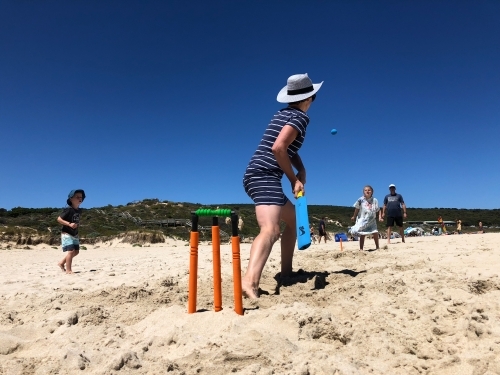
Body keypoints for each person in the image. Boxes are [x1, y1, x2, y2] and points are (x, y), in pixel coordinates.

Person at [241, 73, 323, 298]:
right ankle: (249, 282)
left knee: (294, 219)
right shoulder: (299, 117)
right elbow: (278, 148)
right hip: (264, 175)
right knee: (271, 229)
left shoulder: (284, 114)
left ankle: (286, 272)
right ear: (309, 98)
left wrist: (301, 169)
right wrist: (293, 179)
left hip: (257, 174)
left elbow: (288, 148)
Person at [57, 189, 85, 274]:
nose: (80, 199)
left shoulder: (79, 210)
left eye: (81, 197)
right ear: (71, 199)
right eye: (77, 197)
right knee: (71, 251)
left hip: (75, 233)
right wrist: (69, 224)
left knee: (76, 252)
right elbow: (59, 219)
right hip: (67, 233)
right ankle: (68, 270)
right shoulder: (68, 209)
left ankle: (61, 263)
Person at [349, 185, 380, 250]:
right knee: (362, 234)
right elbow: (357, 208)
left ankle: (377, 247)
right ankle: (361, 249)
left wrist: (380, 217)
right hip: (363, 220)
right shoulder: (360, 200)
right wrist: (354, 216)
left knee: (375, 232)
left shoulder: (375, 200)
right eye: (365, 190)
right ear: (363, 192)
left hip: (372, 220)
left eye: (369, 190)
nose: (367, 191)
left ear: (372, 192)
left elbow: (378, 209)